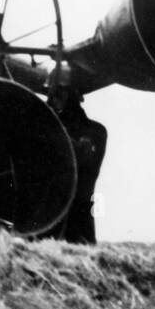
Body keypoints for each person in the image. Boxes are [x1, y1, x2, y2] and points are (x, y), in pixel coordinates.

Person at [47, 84, 107, 244]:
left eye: (56, 97)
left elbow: (80, 155)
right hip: (64, 217)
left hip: (72, 217)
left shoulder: (95, 132)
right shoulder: (97, 131)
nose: (50, 102)